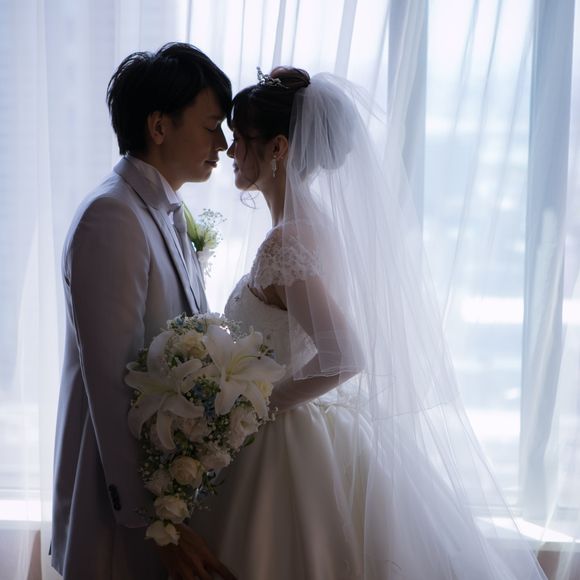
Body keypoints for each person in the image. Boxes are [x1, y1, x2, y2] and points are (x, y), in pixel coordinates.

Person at [190, 68, 547, 579]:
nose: (230, 151)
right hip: (304, 427)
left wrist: (256, 406)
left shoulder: (286, 242)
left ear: (278, 148)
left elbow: (345, 355)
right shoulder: (310, 227)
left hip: (283, 440)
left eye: (241, 138)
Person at [51, 43, 235, 580]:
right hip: (122, 514)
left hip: (165, 491)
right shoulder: (112, 216)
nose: (222, 144)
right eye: (211, 127)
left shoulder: (161, 211)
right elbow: (113, 384)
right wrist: (159, 524)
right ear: (159, 126)